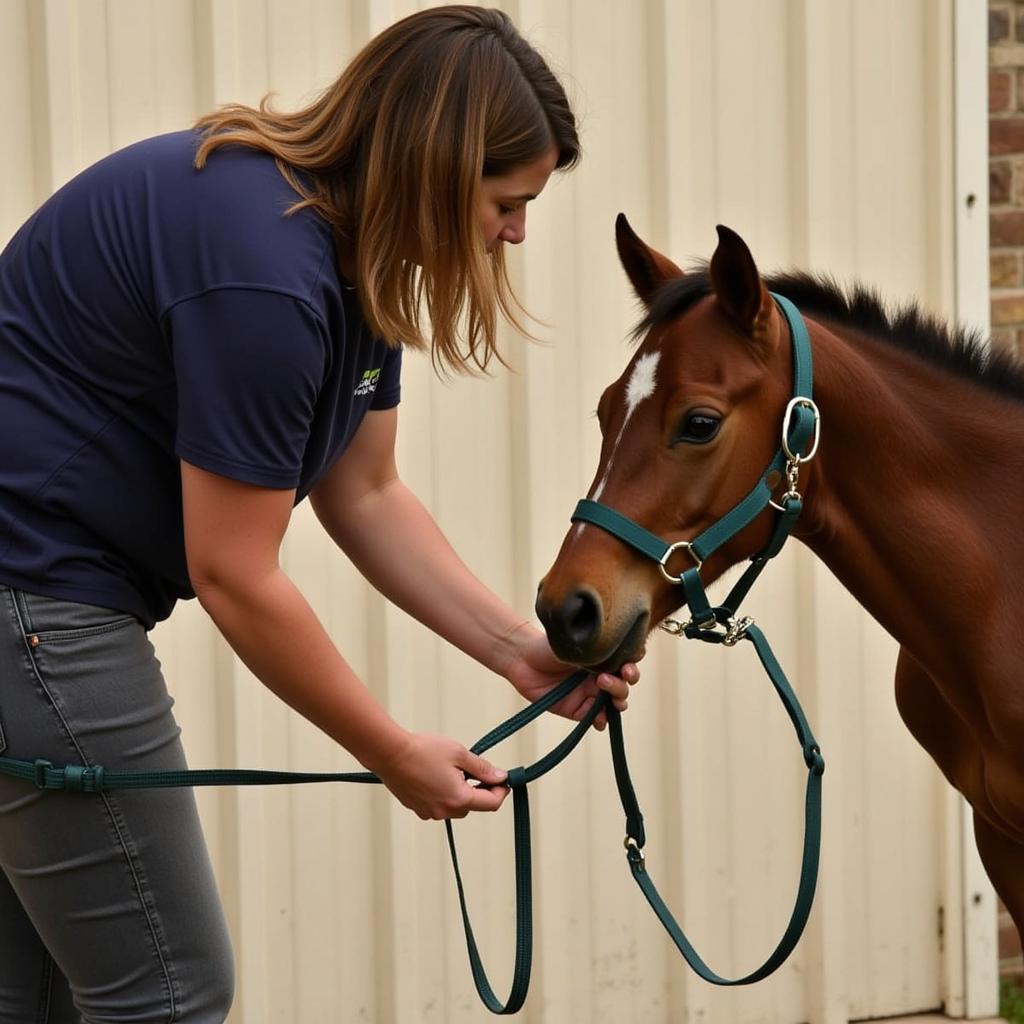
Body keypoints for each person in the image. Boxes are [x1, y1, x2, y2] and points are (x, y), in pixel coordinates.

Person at [0, 6, 639, 1022]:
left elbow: (365, 487)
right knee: (169, 991)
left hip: (32, 607)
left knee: (35, 997)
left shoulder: (339, 258)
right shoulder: (266, 272)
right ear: (434, 166)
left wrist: (519, 653)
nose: (517, 231)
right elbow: (235, 573)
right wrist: (389, 748)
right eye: (507, 200)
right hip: (34, 609)